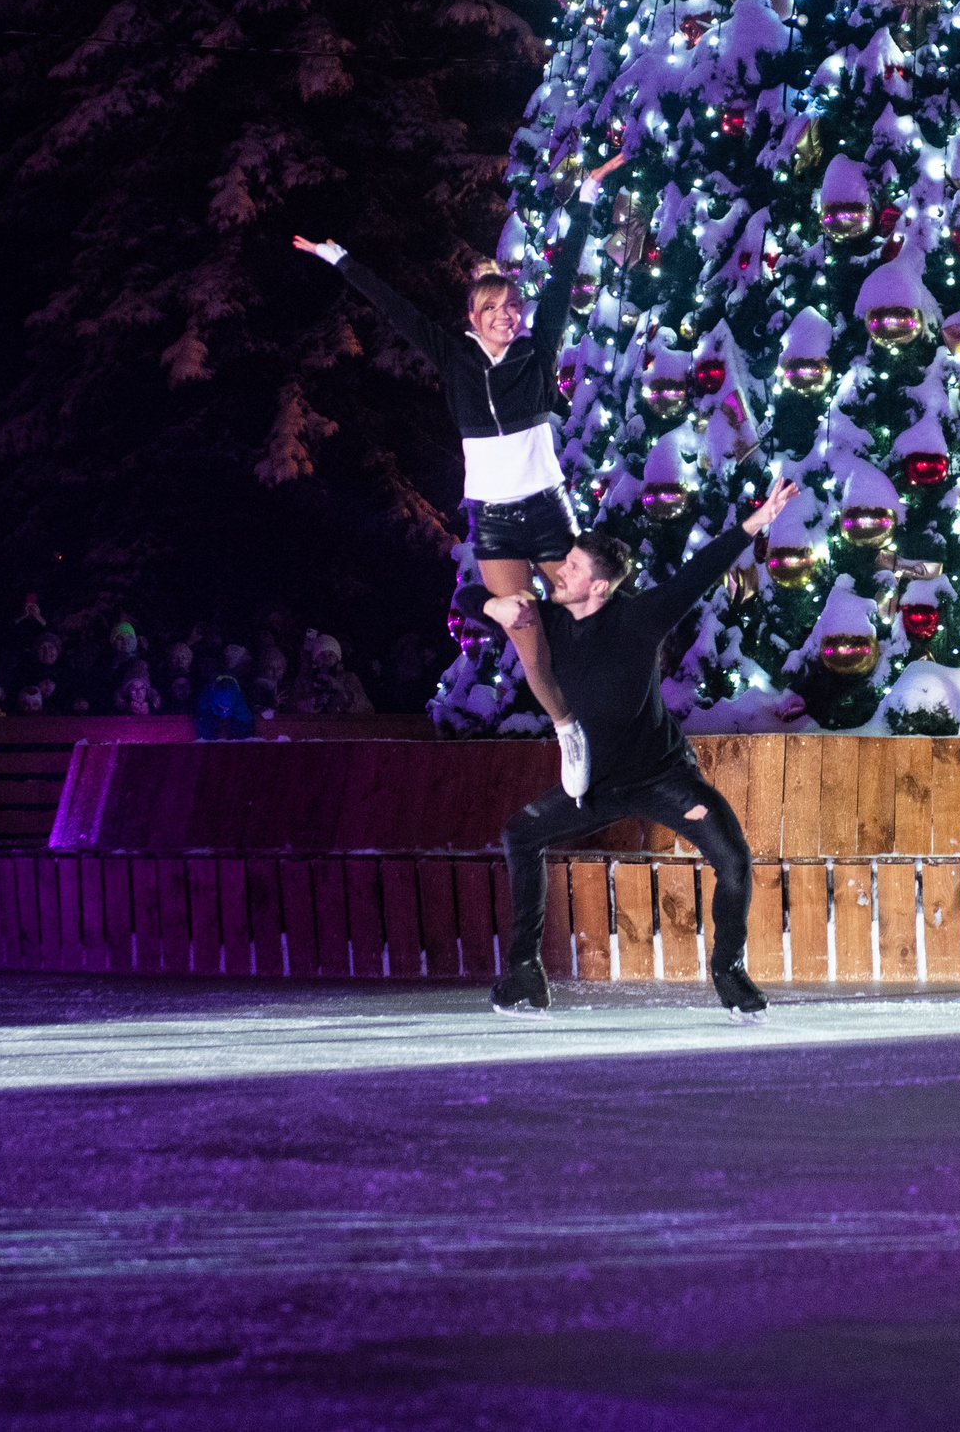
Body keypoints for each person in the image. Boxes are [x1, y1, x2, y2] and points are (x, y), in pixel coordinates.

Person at [293, 152, 624, 800]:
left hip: (547, 507)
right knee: (524, 632)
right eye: (493, 307)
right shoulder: (452, 357)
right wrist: (341, 260)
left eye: (512, 306)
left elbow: (560, 279)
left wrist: (585, 195)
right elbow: (394, 309)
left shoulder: (536, 349)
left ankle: (613, 713)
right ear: (473, 317)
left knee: (584, 605)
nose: (507, 315)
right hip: (494, 517)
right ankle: (568, 730)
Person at [486, 478, 800, 1018]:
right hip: (595, 785)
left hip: (663, 778)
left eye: (575, 568)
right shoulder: (548, 620)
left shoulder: (637, 620)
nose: (562, 571)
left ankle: (729, 970)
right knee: (520, 834)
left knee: (733, 858)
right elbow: (471, 599)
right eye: (568, 563)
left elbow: (697, 575)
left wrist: (756, 521)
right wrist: (493, 608)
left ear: (601, 587)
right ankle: (523, 973)